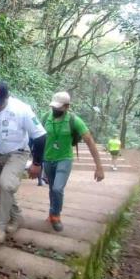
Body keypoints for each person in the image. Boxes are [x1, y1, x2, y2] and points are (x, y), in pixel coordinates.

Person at [0, 82, 47, 244]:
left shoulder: (22, 110)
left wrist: (37, 163)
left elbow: (41, 136)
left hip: (17, 153)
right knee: (3, 189)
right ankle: (16, 217)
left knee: (6, 185)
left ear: (7, 98)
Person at [42, 91, 104, 232]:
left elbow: (89, 141)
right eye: (54, 106)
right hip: (48, 159)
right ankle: (52, 213)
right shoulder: (46, 117)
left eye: (59, 107)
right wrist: (36, 161)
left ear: (67, 107)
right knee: (52, 188)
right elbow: (38, 137)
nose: (55, 109)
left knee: (58, 188)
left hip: (64, 159)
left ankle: (56, 216)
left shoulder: (74, 120)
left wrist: (99, 166)